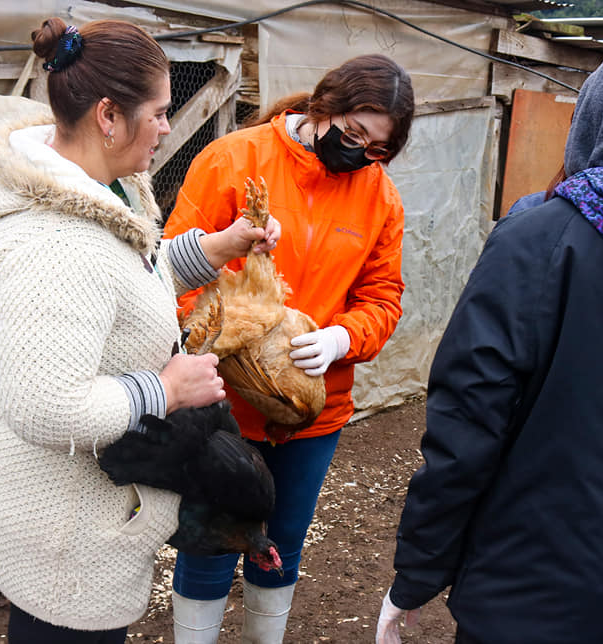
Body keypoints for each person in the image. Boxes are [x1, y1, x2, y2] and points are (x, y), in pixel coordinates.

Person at [377, 18, 603, 644]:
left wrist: (417, 573)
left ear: (598, 114)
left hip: (524, 594)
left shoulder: (537, 239)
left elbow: (467, 424)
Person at [0, 17, 279, 644]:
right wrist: (165, 389)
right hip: (65, 531)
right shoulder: (54, 241)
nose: (164, 127)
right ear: (109, 115)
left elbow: (131, 273)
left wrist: (217, 247)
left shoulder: (100, 191)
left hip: (85, 513)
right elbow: (45, 404)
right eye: (158, 113)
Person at [162, 54, 414, 643]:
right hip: (219, 401)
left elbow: (383, 297)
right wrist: (226, 341)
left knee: (280, 542)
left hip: (310, 410)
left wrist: (341, 338)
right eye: (354, 133)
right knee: (210, 538)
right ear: (326, 104)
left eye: (376, 148)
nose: (360, 153)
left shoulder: (380, 198)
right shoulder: (235, 159)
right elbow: (175, 268)